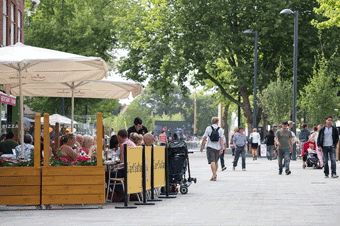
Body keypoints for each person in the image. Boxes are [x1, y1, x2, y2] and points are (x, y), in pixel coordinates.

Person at [200, 117, 224, 181]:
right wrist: (222, 148)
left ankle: (214, 175)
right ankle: (214, 174)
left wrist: (202, 146)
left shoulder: (208, 128)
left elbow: (204, 138)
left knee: (212, 161)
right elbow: (221, 140)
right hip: (217, 147)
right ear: (217, 122)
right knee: (216, 161)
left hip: (210, 147)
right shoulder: (221, 130)